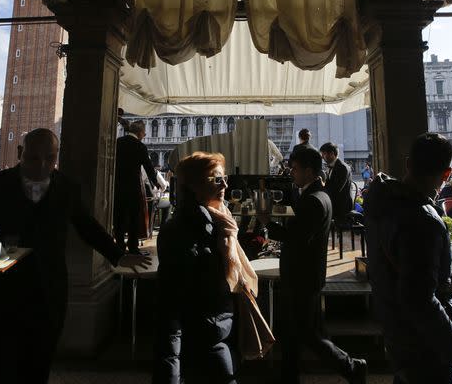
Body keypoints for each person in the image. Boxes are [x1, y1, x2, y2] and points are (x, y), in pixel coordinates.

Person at [0, 128, 151, 383]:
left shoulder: (67, 187)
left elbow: (87, 226)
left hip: (45, 293)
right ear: (21, 153)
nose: (42, 165)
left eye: (50, 158)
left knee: (37, 366)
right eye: (34, 158)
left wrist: (118, 255)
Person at [364, 133, 452, 384]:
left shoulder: (382, 202)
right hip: (425, 344)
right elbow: (419, 299)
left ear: (408, 164)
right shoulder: (423, 220)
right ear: (447, 174)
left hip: (396, 329)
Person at [259, 147, 366, 384]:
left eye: (295, 169)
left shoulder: (314, 200)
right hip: (305, 273)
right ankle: (290, 375)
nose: (292, 173)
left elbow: (296, 237)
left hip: (302, 275)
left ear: (308, 171)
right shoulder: (317, 195)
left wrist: (268, 223)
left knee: (307, 333)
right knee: (296, 332)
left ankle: (351, 366)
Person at [154, 152, 257, 384]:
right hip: (203, 340)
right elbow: (170, 305)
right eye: (217, 179)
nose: (226, 185)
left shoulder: (222, 223)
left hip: (223, 331)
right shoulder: (179, 230)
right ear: (196, 186)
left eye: (225, 178)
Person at [114, 120, 159, 254]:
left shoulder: (118, 142)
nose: (144, 135)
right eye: (144, 132)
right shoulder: (140, 146)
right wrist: (155, 182)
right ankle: (133, 246)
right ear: (139, 132)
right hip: (133, 187)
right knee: (134, 216)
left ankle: (119, 245)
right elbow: (148, 166)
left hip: (117, 185)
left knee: (119, 216)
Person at [320, 142, 352, 223]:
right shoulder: (331, 166)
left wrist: (322, 187)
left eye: (323, 154)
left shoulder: (342, 168)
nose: (322, 157)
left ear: (331, 154)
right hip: (334, 201)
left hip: (341, 205)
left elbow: (336, 190)